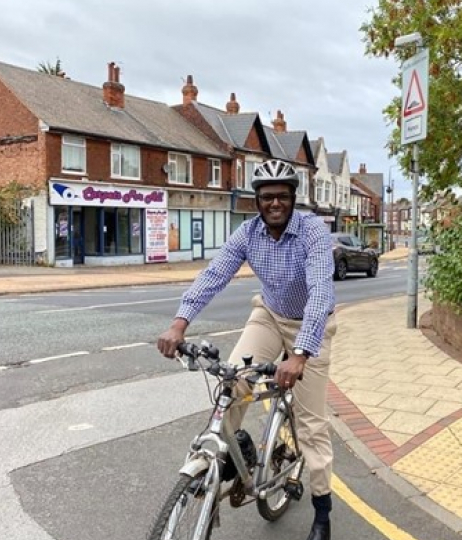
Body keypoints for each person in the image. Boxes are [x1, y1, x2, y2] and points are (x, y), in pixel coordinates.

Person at [157, 159, 336, 540]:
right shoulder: (248, 233)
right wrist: (179, 323)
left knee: (311, 426)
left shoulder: (312, 232)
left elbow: (321, 290)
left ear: (293, 199)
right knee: (233, 383)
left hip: (311, 327)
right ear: (255, 201)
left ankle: (322, 512)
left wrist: (300, 354)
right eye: (267, 197)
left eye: (282, 197)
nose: (275, 204)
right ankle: (220, 465)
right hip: (269, 316)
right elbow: (214, 274)